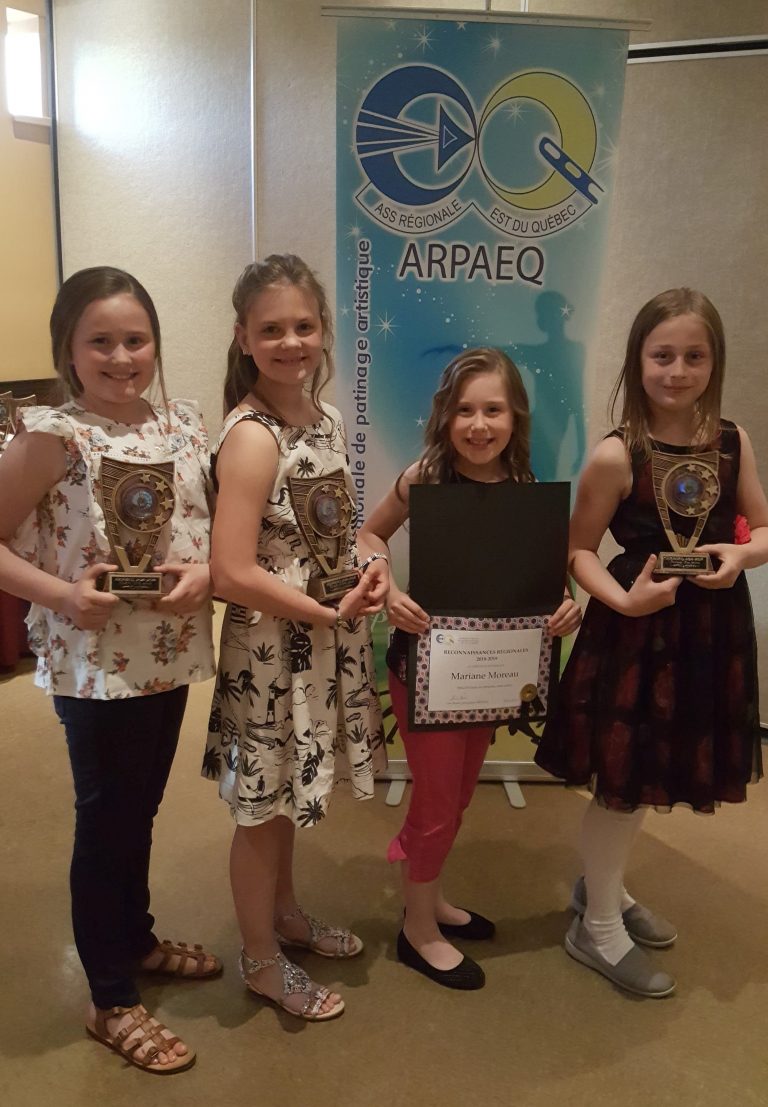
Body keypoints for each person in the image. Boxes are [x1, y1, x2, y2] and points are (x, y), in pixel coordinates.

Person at [0, 267, 218, 1074]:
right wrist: (62, 594)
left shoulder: (182, 424)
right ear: (68, 348)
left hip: (168, 651)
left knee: (141, 809)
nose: (122, 357)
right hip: (93, 663)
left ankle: (136, 938)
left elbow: (205, 527)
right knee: (105, 821)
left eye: (136, 339)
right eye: (101, 341)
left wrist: (206, 576)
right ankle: (108, 994)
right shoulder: (50, 436)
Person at [535, 287, 768, 998]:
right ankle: (597, 926)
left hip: (708, 631)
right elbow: (575, 550)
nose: (678, 370)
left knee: (655, 775)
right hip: (636, 632)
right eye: (662, 355)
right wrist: (624, 599)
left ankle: (603, 890)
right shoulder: (618, 454)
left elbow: (762, 528)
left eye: (694, 356)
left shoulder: (733, 442)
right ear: (637, 361)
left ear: (714, 362)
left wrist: (742, 556)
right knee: (623, 783)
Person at [358, 347, 581, 989]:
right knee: (434, 803)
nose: (478, 425)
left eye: (493, 410)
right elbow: (368, 535)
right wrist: (385, 585)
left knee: (455, 797)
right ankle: (416, 930)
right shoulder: (425, 476)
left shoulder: (526, 491)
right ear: (445, 416)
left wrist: (565, 604)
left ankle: (429, 900)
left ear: (515, 418)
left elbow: (542, 579)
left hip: (488, 679)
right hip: (424, 671)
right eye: (464, 410)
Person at [202, 254, 387, 1022]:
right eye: (271, 328)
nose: (290, 342)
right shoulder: (251, 436)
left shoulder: (327, 418)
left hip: (318, 639)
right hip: (272, 652)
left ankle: (284, 915)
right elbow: (230, 570)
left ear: (324, 331)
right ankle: (259, 960)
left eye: (303, 326)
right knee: (259, 808)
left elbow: (340, 531)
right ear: (243, 336)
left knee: (285, 797)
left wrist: (370, 563)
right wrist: (324, 613)